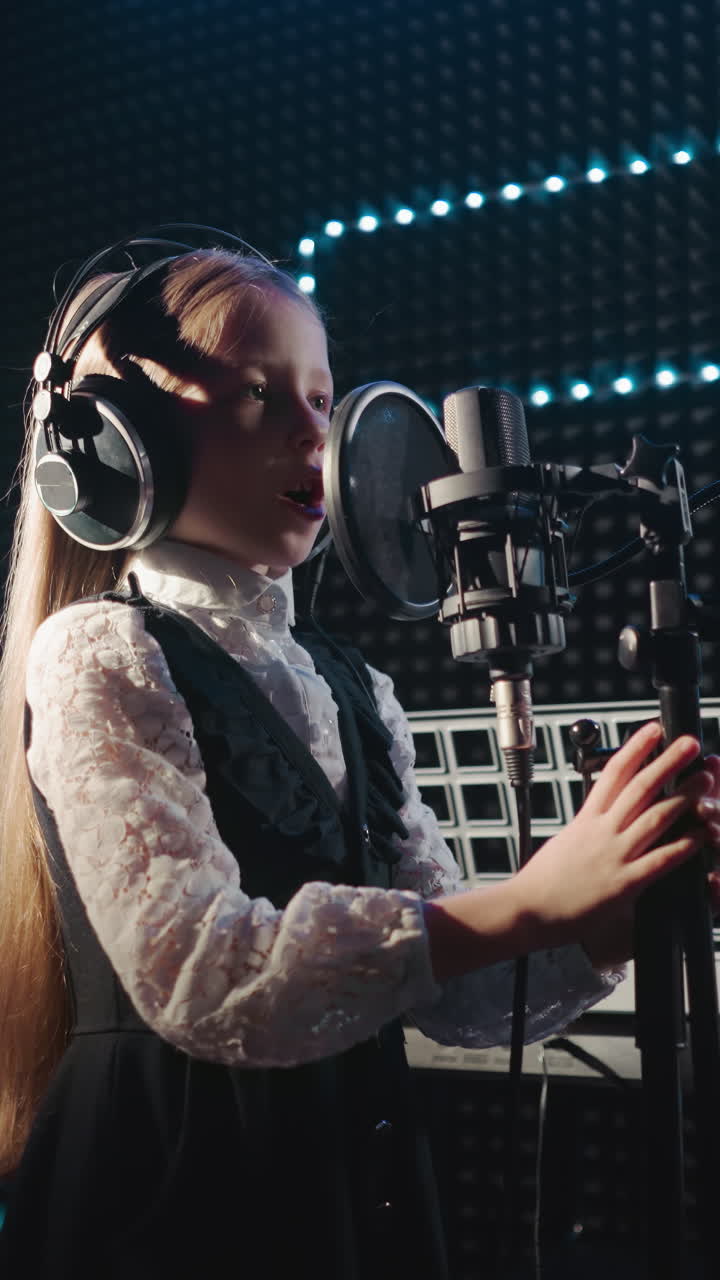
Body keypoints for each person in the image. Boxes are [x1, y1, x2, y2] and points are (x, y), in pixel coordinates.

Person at [0, 233, 718, 1280]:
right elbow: (203, 972)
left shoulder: (356, 688)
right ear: (124, 439)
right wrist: (531, 900)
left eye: (322, 398)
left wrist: (599, 913)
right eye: (258, 394)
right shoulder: (99, 652)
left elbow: (448, 991)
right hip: (175, 1194)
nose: (314, 433)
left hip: (354, 1189)